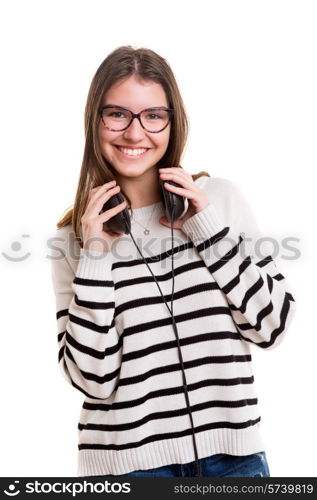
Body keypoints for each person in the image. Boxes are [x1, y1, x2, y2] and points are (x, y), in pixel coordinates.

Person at [50, 45, 296, 478]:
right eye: (117, 114)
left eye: (153, 116)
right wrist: (95, 256)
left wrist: (206, 229)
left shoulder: (218, 200)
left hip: (234, 460)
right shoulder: (73, 238)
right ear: (95, 121)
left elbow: (272, 325)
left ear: (171, 121)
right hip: (128, 469)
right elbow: (93, 378)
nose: (134, 133)